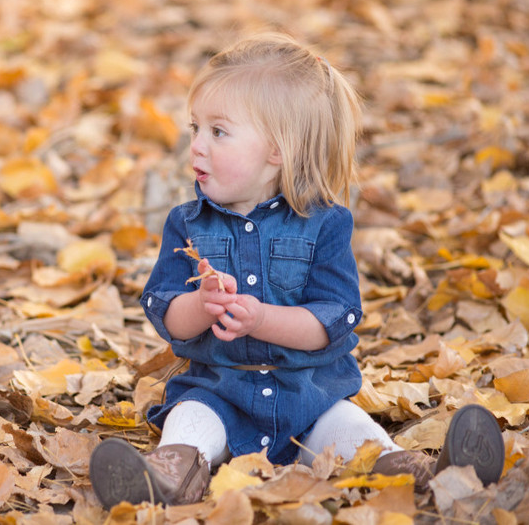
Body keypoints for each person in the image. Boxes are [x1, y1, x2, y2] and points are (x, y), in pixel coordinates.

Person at [88, 32, 504, 508]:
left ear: (278, 151)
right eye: (194, 129)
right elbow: (166, 316)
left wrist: (262, 319)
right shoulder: (187, 223)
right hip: (221, 391)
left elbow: (334, 320)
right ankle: (166, 476)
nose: (197, 147)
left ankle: (431, 476)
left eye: (218, 132)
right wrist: (202, 305)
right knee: (190, 419)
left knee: (352, 432)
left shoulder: (324, 224)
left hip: (309, 396)